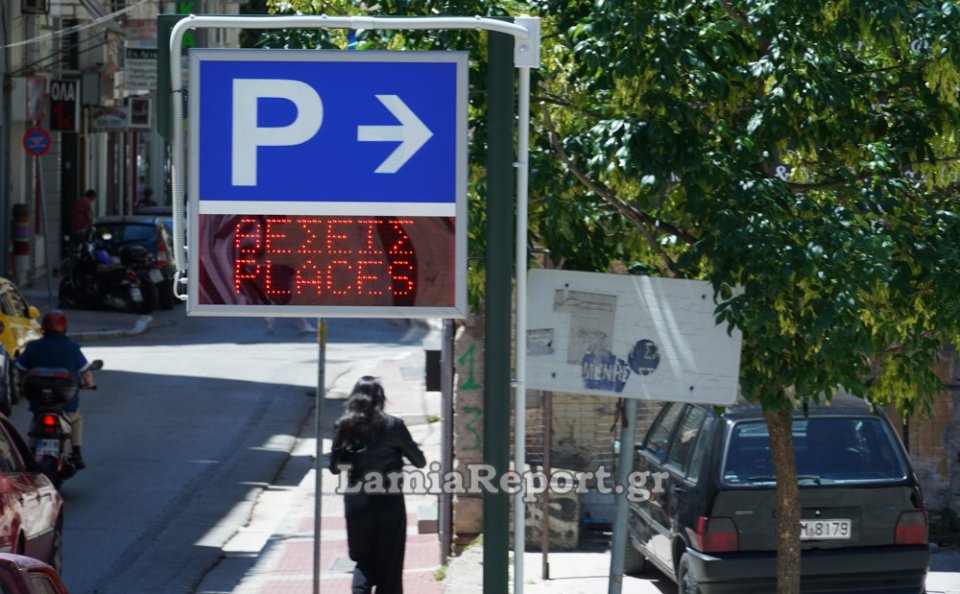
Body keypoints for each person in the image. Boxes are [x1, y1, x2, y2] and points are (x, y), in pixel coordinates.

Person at [330, 376, 426, 594]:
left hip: (357, 502)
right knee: (390, 566)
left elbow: (335, 467)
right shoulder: (393, 425)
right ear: (381, 398)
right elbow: (419, 461)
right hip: (388, 501)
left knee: (364, 561)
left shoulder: (343, 426)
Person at [14, 310, 96, 469]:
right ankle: (77, 453)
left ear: (44, 328)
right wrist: (90, 384)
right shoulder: (72, 348)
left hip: (38, 398)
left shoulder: (33, 347)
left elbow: (19, 367)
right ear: (64, 327)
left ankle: (30, 453)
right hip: (66, 399)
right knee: (75, 419)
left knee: (35, 421)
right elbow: (86, 371)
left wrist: (21, 383)